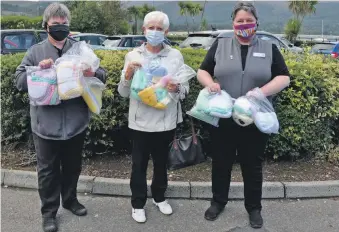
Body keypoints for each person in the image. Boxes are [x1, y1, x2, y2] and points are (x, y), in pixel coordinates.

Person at [197, 2, 290, 229]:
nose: (244, 25)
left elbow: (284, 77)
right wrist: (210, 84)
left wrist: (261, 92)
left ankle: (254, 208)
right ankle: (218, 202)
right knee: (221, 162)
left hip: (255, 118)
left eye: (249, 20)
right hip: (223, 116)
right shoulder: (220, 44)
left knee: (252, 164)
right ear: (233, 23)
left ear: (256, 22)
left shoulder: (269, 48)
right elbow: (202, 71)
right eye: (240, 21)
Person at [15, 3, 107, 232]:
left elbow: (102, 76)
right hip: (45, 125)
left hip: (76, 122)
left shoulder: (81, 50)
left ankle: (70, 200)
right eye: (56, 24)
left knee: (73, 166)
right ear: (46, 26)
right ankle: (48, 212)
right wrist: (38, 70)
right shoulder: (35, 51)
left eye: (64, 24)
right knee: (47, 171)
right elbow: (18, 82)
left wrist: (91, 72)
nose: (60, 28)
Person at [118, 11, 189, 223]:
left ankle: (159, 197)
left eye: (160, 28)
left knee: (161, 163)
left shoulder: (175, 56)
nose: (155, 32)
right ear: (144, 29)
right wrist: (128, 74)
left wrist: (176, 87)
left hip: (165, 121)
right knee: (138, 164)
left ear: (166, 31)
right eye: (151, 27)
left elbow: (184, 91)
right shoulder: (133, 56)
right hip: (140, 122)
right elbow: (123, 92)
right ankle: (138, 202)